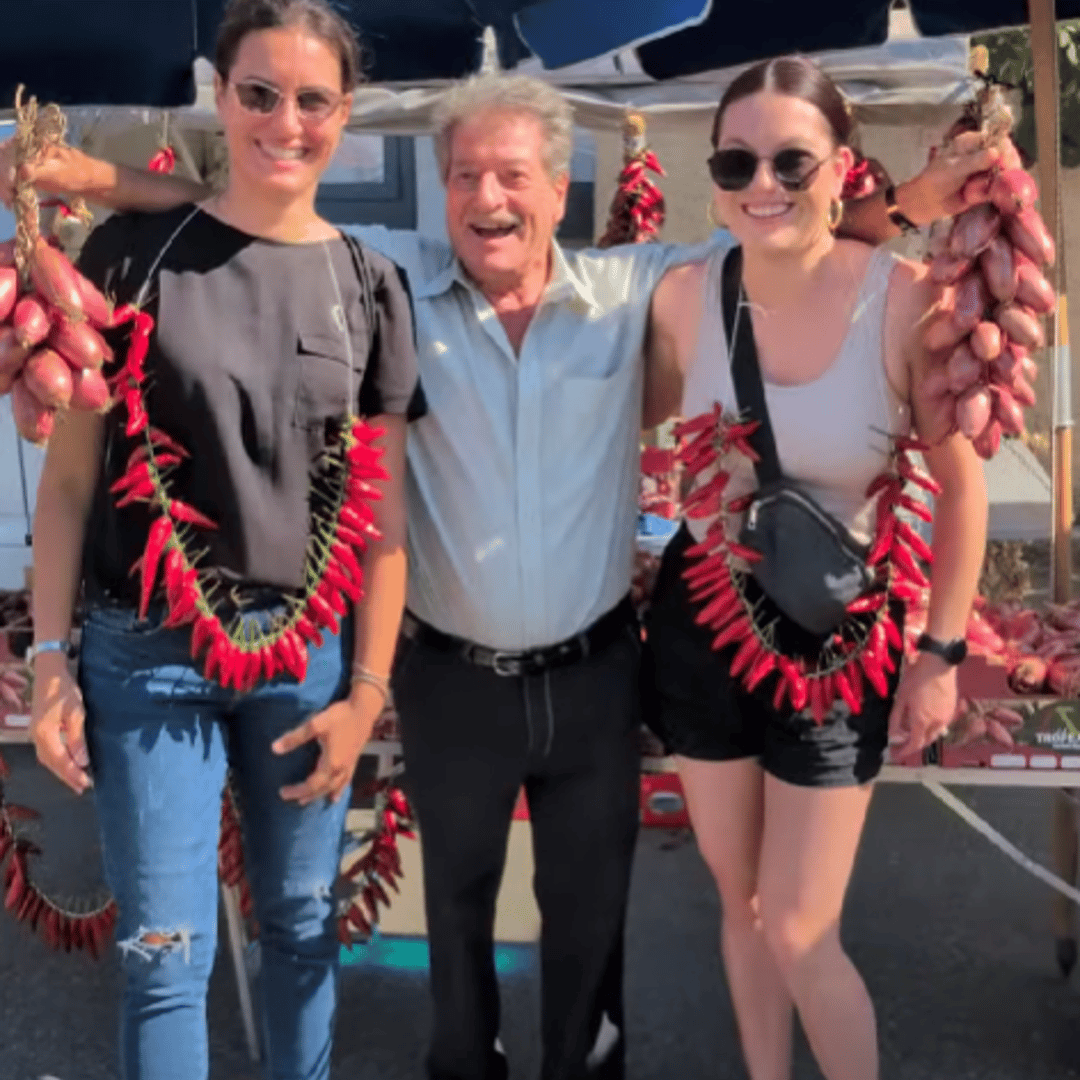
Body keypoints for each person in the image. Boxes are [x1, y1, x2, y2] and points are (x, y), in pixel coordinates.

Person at [6, 66, 997, 1080]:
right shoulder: (388, 282)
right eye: (466, 175)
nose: (490, 198)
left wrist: (918, 199)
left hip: (596, 674)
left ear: (559, 185)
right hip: (453, 683)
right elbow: (251, 207)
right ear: (441, 189)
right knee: (460, 932)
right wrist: (89, 173)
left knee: (586, 936)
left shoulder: (635, 289)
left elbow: (790, 232)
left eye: (514, 174)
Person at [25, 2, 422, 1079]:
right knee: (165, 953)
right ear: (220, 95)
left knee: (300, 928)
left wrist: (367, 696)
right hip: (146, 651)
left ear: (345, 115)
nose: (283, 121)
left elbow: (384, 526)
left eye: (311, 100)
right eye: (258, 93)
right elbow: (67, 487)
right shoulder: (130, 258)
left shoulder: (370, 287)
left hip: (308, 657)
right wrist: (50, 656)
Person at [642, 56, 988, 1080]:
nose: (765, 182)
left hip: (841, 640)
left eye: (792, 160)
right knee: (740, 904)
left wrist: (942, 652)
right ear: (713, 175)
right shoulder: (679, 298)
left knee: (799, 923)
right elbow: (635, 420)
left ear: (842, 169)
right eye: (738, 159)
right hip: (704, 626)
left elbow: (961, 490)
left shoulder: (905, 302)